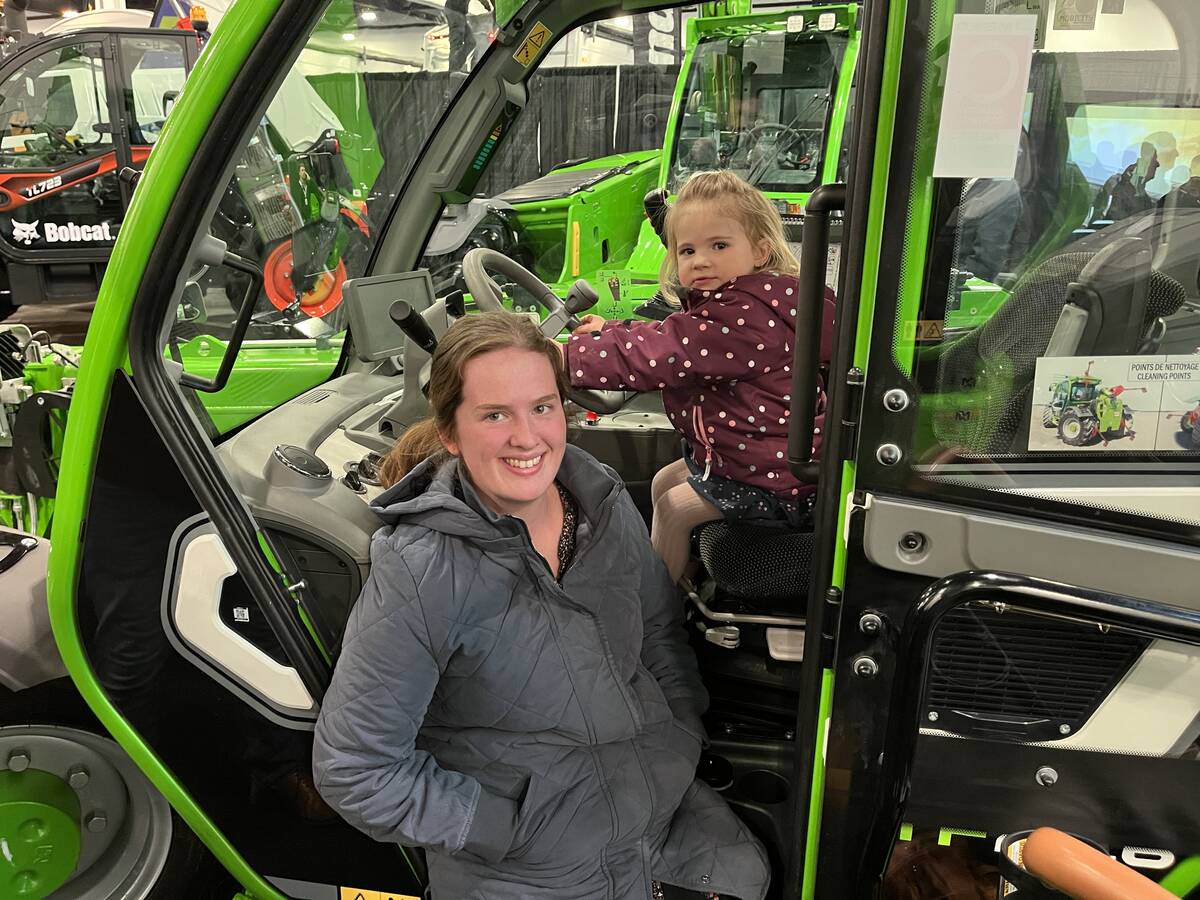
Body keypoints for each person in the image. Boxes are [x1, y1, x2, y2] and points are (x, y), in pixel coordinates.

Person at [312, 311, 770, 900]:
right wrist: (506, 829)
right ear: (451, 434)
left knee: (756, 876)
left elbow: (658, 631)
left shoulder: (600, 500)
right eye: (495, 414)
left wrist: (679, 732)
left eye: (542, 407)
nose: (527, 438)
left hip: (659, 811)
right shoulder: (422, 571)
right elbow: (356, 769)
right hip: (531, 868)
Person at [564, 169, 834, 583]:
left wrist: (565, 357)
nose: (700, 260)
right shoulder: (741, 303)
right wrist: (605, 335)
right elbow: (671, 336)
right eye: (687, 250)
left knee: (675, 508)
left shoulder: (744, 317)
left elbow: (662, 352)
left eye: (719, 245)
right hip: (749, 460)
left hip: (772, 481)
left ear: (760, 252)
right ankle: (678, 573)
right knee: (664, 480)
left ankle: (657, 617)